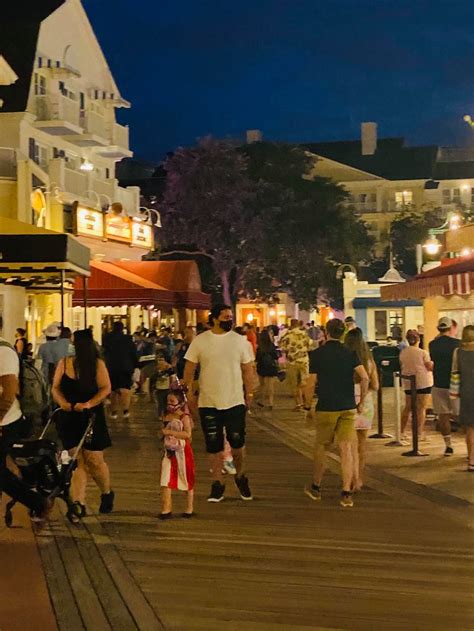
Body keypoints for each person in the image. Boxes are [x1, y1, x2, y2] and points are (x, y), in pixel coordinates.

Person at [183, 304, 255, 503]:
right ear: (214, 319)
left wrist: (249, 393)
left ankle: (240, 475)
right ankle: (217, 483)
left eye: (230, 316)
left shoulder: (240, 342)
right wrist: (188, 394)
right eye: (225, 316)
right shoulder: (200, 341)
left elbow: (248, 369)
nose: (229, 320)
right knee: (213, 445)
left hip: (234, 401)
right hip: (209, 401)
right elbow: (189, 369)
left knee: (237, 443)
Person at [304, 318, 369, 508]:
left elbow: (311, 383)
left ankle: (316, 487)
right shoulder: (350, 353)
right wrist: (361, 401)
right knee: (347, 449)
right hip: (348, 406)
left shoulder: (317, 354)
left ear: (326, 332)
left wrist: (307, 406)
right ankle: (346, 493)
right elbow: (364, 377)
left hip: (326, 405)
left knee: (322, 447)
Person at [52, 329, 113, 520]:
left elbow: (106, 388)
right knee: (76, 460)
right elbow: (55, 386)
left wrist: (89, 404)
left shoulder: (97, 365)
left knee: (94, 459)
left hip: (91, 416)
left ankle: (107, 492)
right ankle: (79, 503)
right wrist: (62, 402)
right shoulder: (64, 363)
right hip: (69, 415)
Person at [0, 336, 53, 525]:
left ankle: (38, 502)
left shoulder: (3, 352)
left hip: (6, 422)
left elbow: (9, 393)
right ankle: (37, 501)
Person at [344, 328, 379, 489]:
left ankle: (351, 477)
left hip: (347, 402)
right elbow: (376, 385)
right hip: (366, 404)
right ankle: (359, 479)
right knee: (362, 444)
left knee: (348, 444)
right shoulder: (369, 361)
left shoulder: (344, 359)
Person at [159, 390, 195, 519]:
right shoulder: (165, 415)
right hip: (169, 451)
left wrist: (169, 432)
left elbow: (187, 434)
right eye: (168, 401)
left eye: (172, 401)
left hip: (182, 452)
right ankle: (166, 509)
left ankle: (189, 507)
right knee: (165, 479)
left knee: (186, 478)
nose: (169, 404)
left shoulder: (183, 417)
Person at [429, 317, 460, 456]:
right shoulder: (458, 344)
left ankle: (448, 445)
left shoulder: (432, 344)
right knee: (461, 415)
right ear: (451, 328)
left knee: (443, 416)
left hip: (438, 383)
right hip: (455, 384)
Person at [399, 330, 433, 441]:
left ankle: (402, 431)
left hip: (409, 383)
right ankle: (419, 432)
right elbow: (429, 366)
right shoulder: (423, 352)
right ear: (418, 339)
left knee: (407, 407)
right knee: (421, 408)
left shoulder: (403, 352)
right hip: (423, 382)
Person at [103, 321, 138, 419]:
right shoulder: (128, 339)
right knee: (125, 389)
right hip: (126, 366)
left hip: (111, 366)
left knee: (113, 389)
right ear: (122, 328)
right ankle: (125, 410)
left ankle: (114, 411)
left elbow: (104, 352)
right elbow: (133, 353)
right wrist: (135, 365)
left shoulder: (107, 338)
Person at [450, 325, 474, 472]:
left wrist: (453, 397)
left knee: (470, 429)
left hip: (467, 394)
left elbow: (455, 374)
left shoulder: (458, 352)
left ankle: (471, 459)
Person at [279, 318, 312, 410]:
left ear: (291, 325)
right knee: (304, 383)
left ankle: (298, 404)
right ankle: (306, 402)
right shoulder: (304, 334)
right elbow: (310, 345)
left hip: (292, 362)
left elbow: (282, 347)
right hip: (304, 361)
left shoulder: (288, 335)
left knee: (294, 384)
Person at [256, 329, 279, 409]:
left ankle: (261, 401)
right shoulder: (271, 345)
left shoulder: (260, 346)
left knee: (262, 385)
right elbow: (275, 356)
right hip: (270, 366)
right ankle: (270, 402)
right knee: (270, 385)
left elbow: (257, 357)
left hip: (262, 366)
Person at [152, 354, 175, 420]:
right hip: (159, 389)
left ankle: (165, 415)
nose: (161, 362)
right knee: (160, 403)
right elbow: (153, 379)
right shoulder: (156, 369)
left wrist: (172, 387)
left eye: (162, 360)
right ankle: (160, 415)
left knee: (166, 403)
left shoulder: (169, 368)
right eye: (159, 360)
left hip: (167, 388)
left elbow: (172, 377)